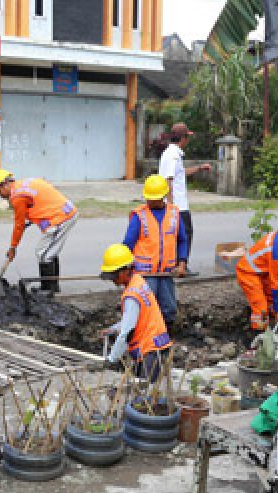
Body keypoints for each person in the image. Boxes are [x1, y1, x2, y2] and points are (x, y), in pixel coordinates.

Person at [0, 169, 78, 293]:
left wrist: (13, 247)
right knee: (49, 252)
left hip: (61, 217)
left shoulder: (17, 197)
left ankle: (48, 290)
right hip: (64, 211)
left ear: (4, 184)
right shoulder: (23, 185)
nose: (1, 195)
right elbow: (38, 202)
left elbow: (18, 225)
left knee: (43, 253)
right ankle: (53, 287)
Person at [122, 174, 188, 330]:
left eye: (154, 198)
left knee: (168, 309)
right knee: (146, 309)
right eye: (148, 198)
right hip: (145, 275)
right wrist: (124, 270)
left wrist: (182, 263)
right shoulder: (139, 216)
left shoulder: (174, 213)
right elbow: (127, 245)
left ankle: (165, 338)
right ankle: (147, 338)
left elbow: (182, 240)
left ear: (163, 196)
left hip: (166, 273)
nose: (150, 201)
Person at [98, 243, 172, 382]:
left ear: (126, 270)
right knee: (149, 395)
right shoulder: (138, 282)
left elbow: (127, 332)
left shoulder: (131, 295)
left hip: (149, 352)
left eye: (114, 275)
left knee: (143, 398)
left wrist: (112, 359)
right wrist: (114, 329)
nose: (113, 280)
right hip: (158, 346)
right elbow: (136, 318)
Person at [158, 122, 209, 271]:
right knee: (185, 234)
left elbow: (179, 173)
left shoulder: (172, 153)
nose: (188, 140)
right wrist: (172, 206)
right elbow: (168, 179)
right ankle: (181, 266)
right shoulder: (173, 155)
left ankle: (177, 265)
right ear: (183, 138)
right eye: (187, 137)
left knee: (179, 235)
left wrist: (199, 168)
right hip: (177, 205)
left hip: (177, 204)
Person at [235, 224, 278, 331]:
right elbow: (276, 285)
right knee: (261, 308)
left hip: (263, 271)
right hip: (248, 272)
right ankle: (258, 339)